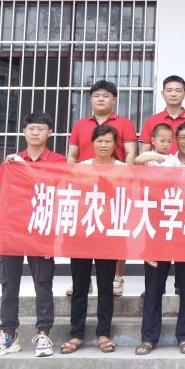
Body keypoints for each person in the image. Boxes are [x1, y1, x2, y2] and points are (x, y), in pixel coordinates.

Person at [0, 111, 66, 358]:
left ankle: (44, 333)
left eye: (41, 129)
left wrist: (25, 167)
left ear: (50, 133)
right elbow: (5, 200)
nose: (35, 133)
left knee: (43, 284)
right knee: (9, 285)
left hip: (41, 230)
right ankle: (9, 334)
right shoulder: (10, 162)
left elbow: (58, 189)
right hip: (11, 231)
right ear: (23, 132)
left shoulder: (59, 161)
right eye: (31, 129)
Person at [134, 121, 185, 355]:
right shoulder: (162, 161)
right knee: (153, 286)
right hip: (159, 230)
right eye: (183, 137)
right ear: (176, 139)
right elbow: (142, 174)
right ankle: (149, 337)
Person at [67, 79, 137, 298]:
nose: (100, 99)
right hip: (85, 187)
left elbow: (130, 153)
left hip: (115, 187)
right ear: (90, 99)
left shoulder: (125, 123)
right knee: (84, 229)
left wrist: (126, 179)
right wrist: (74, 179)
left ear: (114, 99)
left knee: (116, 231)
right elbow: (72, 155)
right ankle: (82, 282)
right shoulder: (80, 125)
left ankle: (117, 277)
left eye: (106, 96)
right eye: (96, 96)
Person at [61, 124, 126, 355]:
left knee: (106, 287)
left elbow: (128, 198)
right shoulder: (81, 168)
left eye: (108, 141)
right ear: (92, 143)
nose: (103, 145)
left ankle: (103, 333)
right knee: (79, 287)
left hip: (108, 236)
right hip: (82, 234)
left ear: (115, 144)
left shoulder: (123, 169)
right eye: (99, 141)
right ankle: (76, 334)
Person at [137, 75, 185, 159]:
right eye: (169, 90)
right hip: (159, 166)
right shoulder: (151, 121)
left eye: (178, 90)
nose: (173, 94)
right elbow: (144, 152)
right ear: (162, 94)